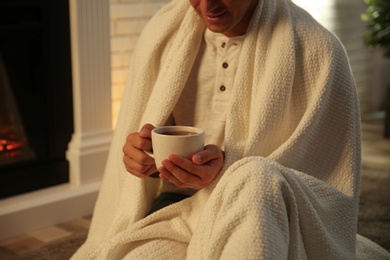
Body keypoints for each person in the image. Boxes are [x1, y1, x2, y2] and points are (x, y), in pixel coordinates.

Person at [72, 0, 363, 259]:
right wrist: (142, 156)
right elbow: (149, 127)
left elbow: (328, 178)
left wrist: (228, 172)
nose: (208, 7)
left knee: (255, 175)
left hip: (259, 205)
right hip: (176, 208)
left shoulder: (318, 48)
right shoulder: (161, 33)